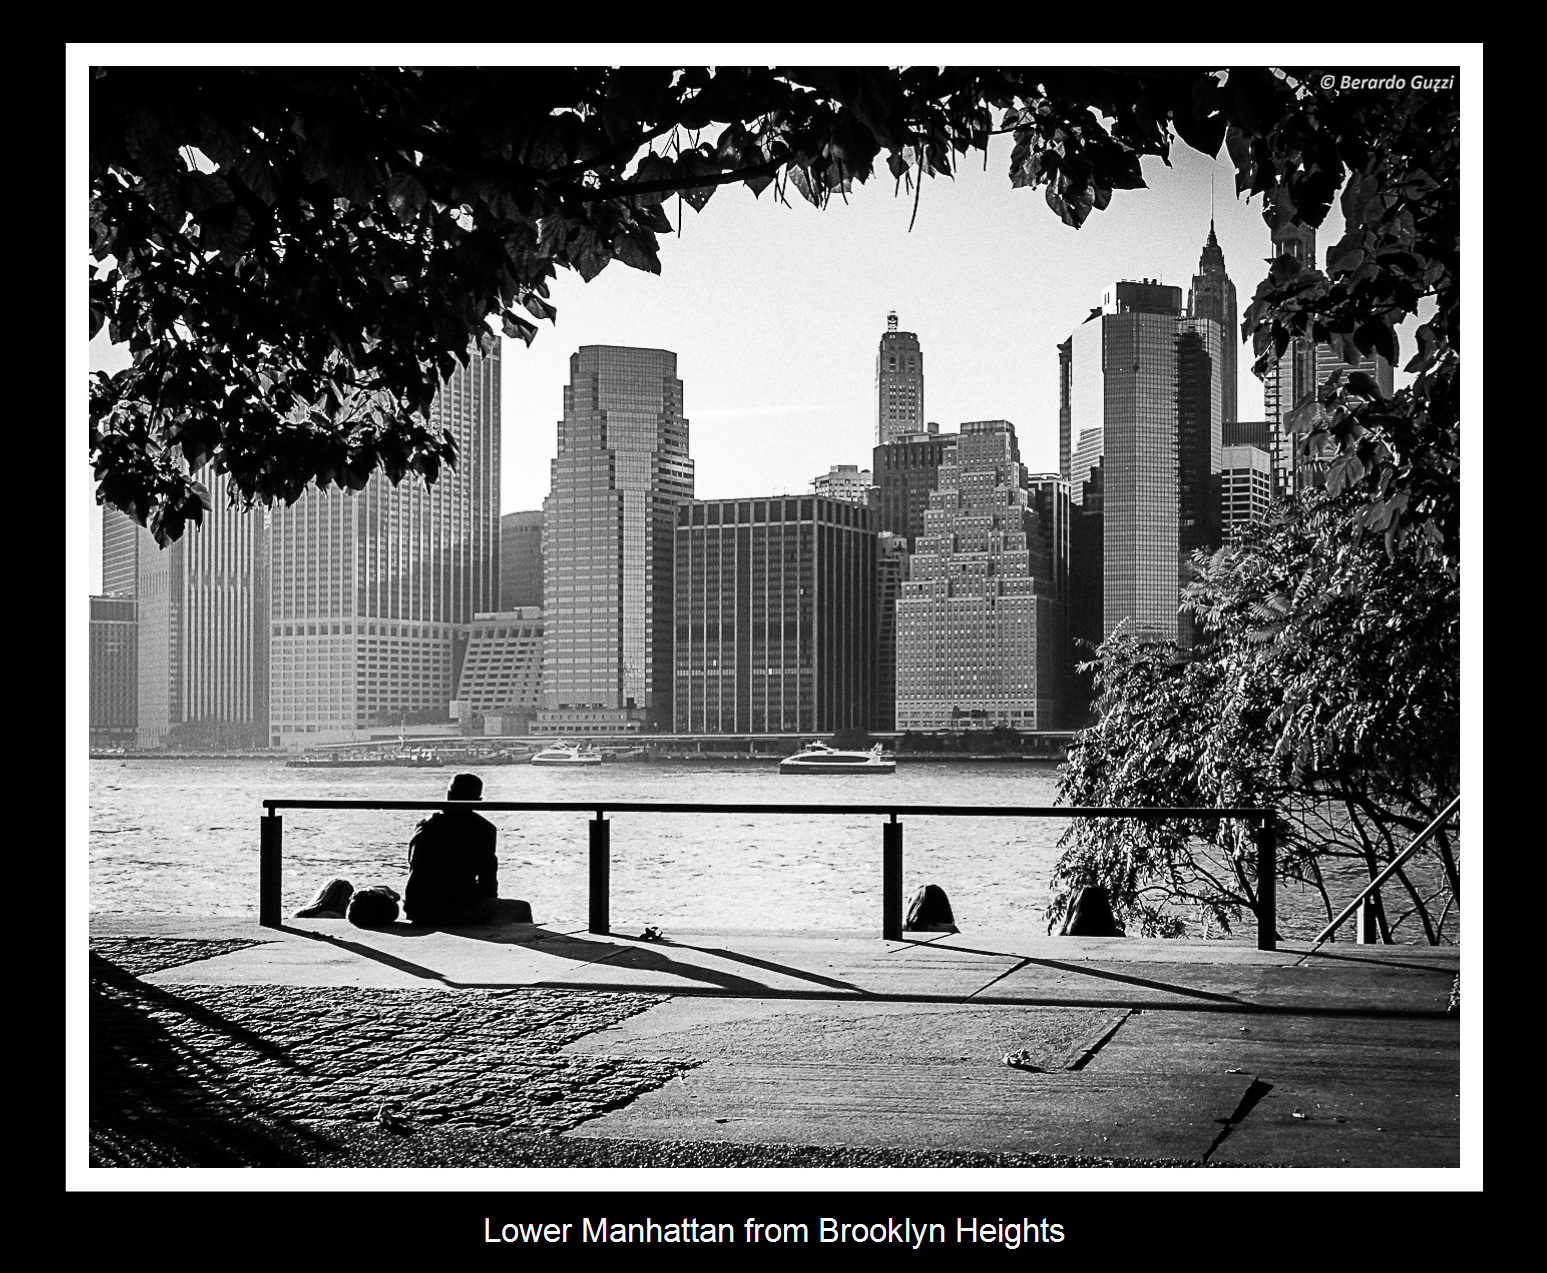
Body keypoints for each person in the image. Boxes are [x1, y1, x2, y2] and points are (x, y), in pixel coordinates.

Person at [403, 772, 499, 925]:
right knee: (521, 909)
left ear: (448, 794)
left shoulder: (426, 826)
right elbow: (488, 878)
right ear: (477, 800)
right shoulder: (484, 829)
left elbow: (415, 869)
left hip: (421, 908)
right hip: (459, 906)